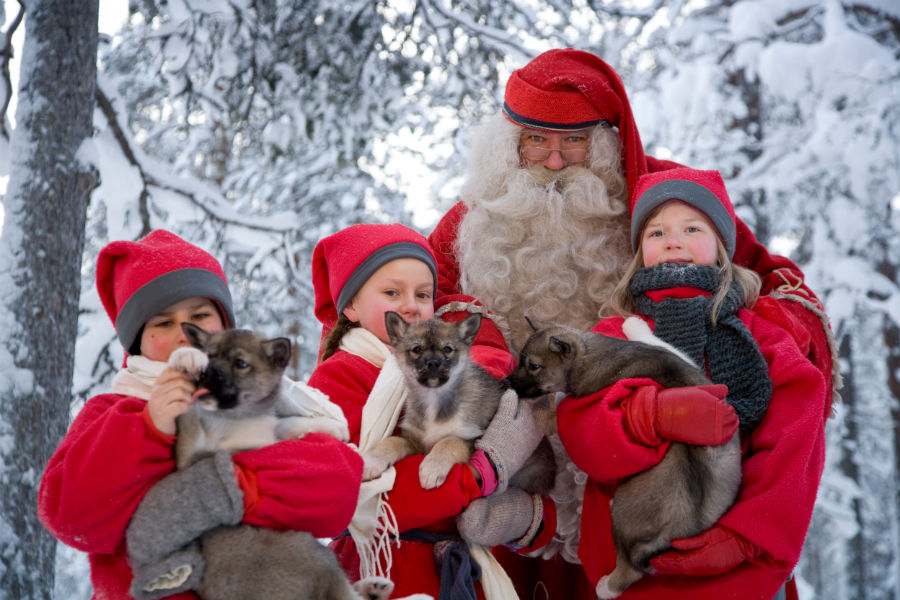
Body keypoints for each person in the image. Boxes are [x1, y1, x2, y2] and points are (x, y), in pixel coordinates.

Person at [428, 48, 839, 598]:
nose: (554, 160)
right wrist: (491, 356)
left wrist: (747, 331)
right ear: (508, 146)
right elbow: (398, 299)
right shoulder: (470, 222)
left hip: (670, 486)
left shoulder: (662, 198)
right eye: (535, 140)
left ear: (603, 142)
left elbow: (776, 280)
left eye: (573, 141)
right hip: (520, 484)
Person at [37, 229, 363, 599]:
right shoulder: (116, 411)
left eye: (199, 315)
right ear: (136, 341)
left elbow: (336, 491)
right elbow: (71, 516)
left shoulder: (272, 398)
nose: (181, 334)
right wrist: (150, 427)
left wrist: (231, 487)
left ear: (224, 326)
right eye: (162, 323)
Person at [556, 167, 826, 599]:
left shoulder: (764, 336)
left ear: (721, 246)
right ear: (640, 251)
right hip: (635, 561)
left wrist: (745, 536)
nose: (672, 240)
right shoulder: (615, 333)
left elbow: (794, 438)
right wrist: (646, 415)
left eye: (691, 227)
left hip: (739, 570)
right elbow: (581, 425)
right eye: (656, 232)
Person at [308, 222, 552, 599]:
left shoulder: (438, 373)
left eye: (423, 295)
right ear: (352, 306)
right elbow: (366, 495)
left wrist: (520, 510)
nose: (411, 306)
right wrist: (477, 476)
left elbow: (508, 460)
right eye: (392, 292)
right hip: (384, 567)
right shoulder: (339, 377)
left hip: (459, 571)